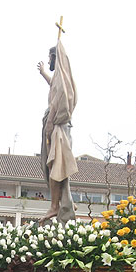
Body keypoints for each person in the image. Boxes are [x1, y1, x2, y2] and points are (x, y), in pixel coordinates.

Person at [37, 41, 78, 224]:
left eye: (50, 57)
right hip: (58, 125)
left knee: (55, 164)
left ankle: (55, 205)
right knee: (54, 164)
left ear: (55, 57)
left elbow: (58, 98)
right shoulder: (60, 77)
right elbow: (54, 86)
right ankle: (65, 200)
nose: (49, 60)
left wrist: (50, 122)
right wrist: (43, 73)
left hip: (56, 126)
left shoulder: (61, 78)